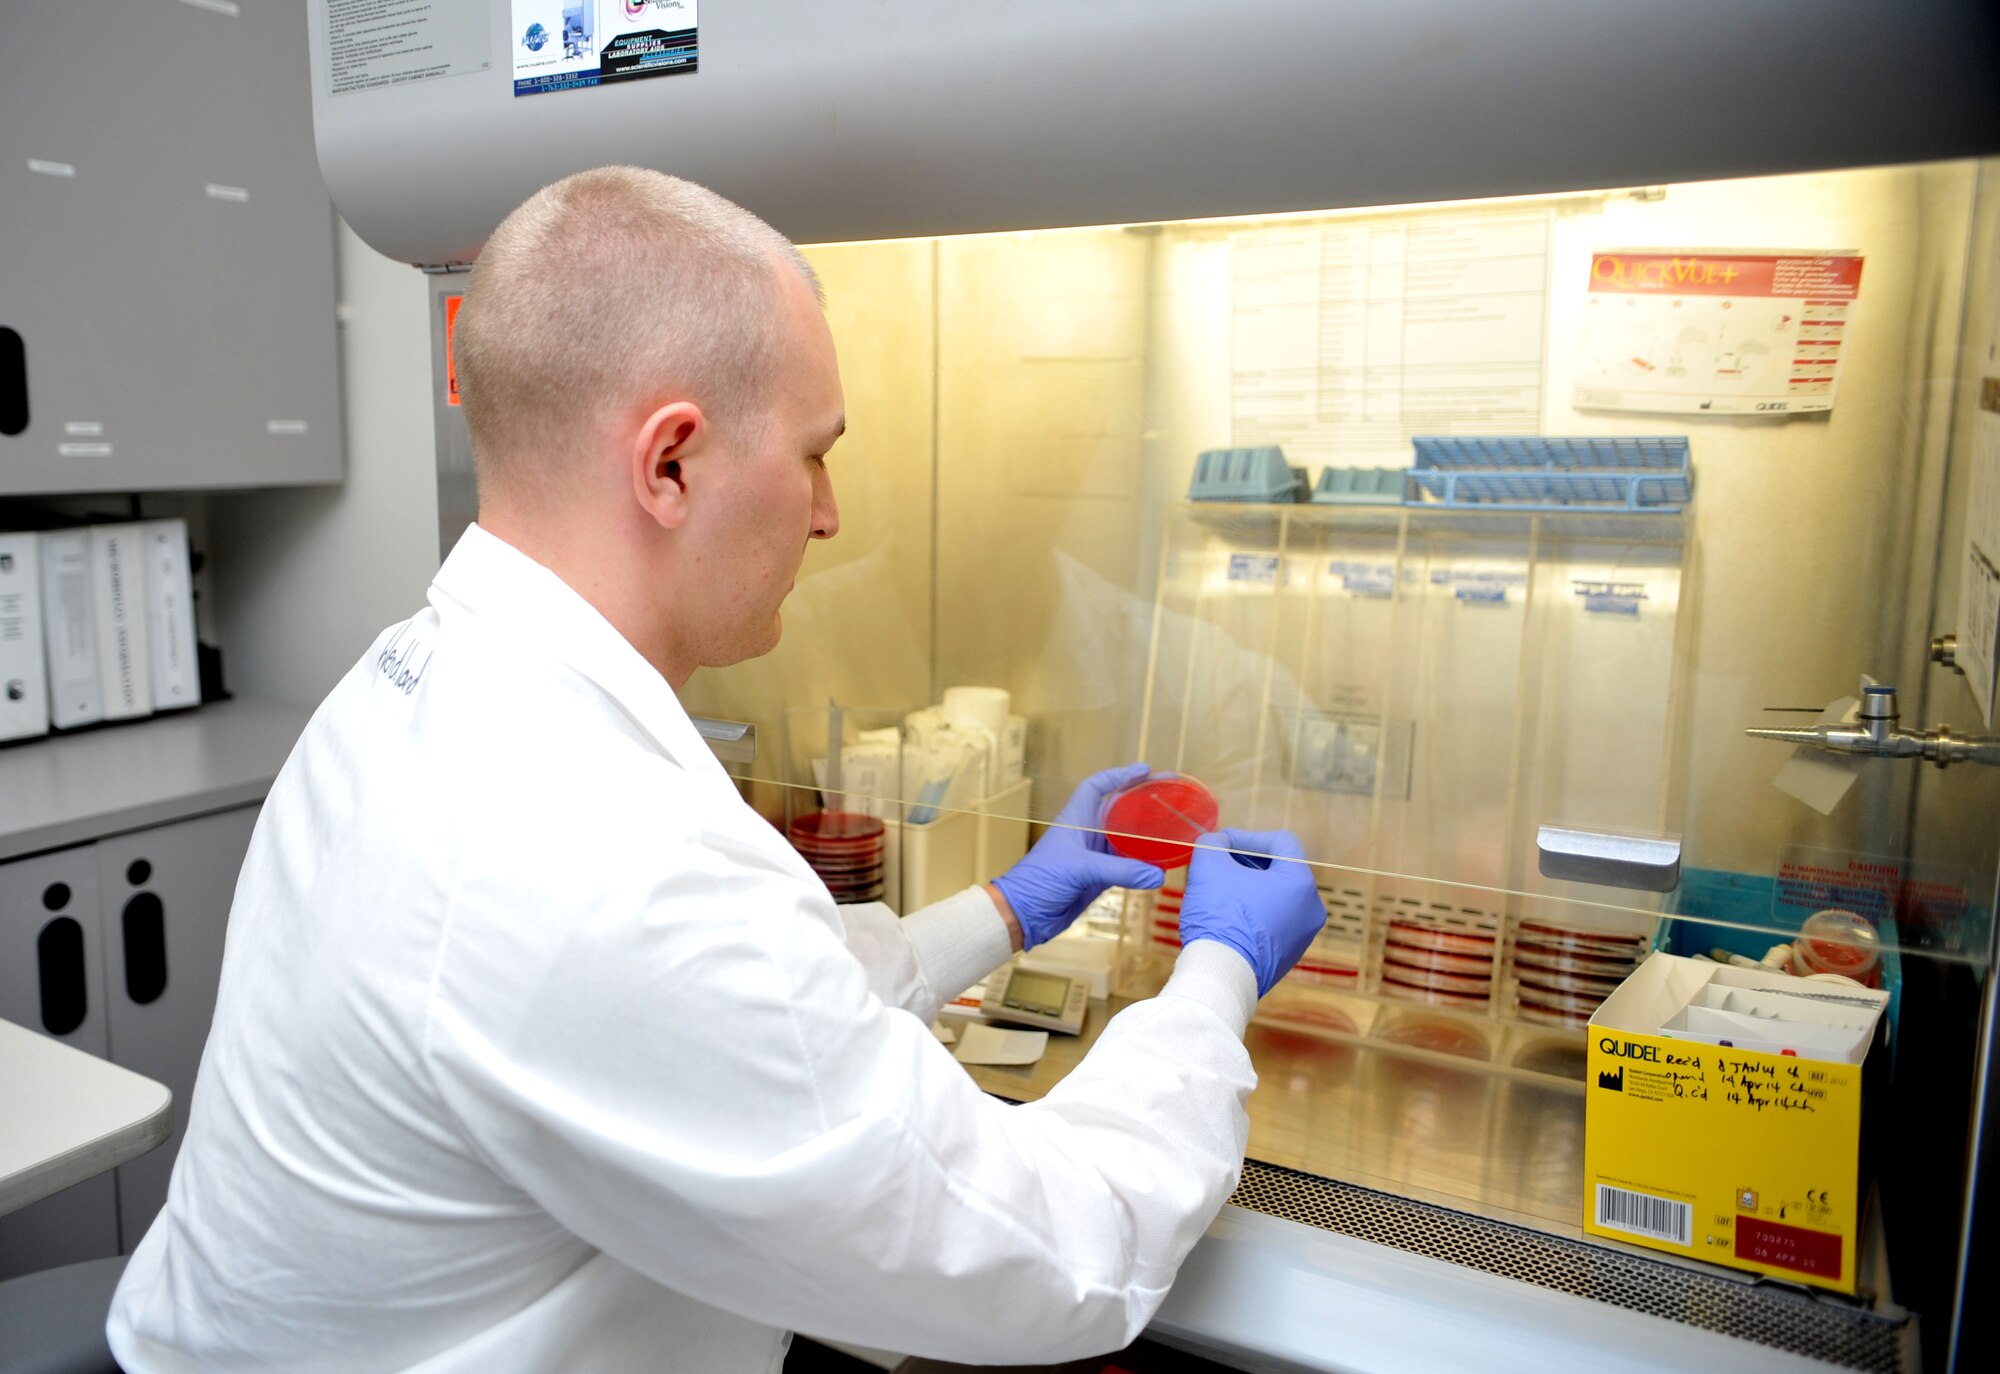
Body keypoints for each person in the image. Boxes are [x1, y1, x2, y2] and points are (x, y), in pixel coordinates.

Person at [105, 166, 1329, 1373]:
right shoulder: (597, 861)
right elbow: (1059, 1257)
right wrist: (1217, 972)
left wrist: (1004, 908)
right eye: (813, 454)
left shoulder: (417, 679)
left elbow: (734, 1006)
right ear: (671, 463)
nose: (830, 513)